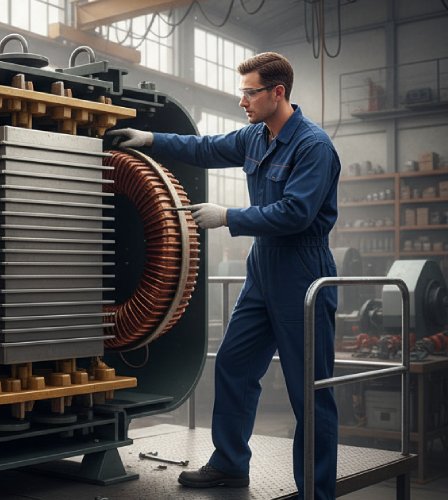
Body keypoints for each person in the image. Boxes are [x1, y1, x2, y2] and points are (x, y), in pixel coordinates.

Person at [108, 52, 340, 500]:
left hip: (302, 271)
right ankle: (230, 463)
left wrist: (228, 216)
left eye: (250, 92)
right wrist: (151, 138)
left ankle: (316, 490)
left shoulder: (313, 146)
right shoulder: (256, 136)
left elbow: (297, 213)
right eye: (242, 91)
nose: (243, 101)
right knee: (234, 364)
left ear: (278, 93)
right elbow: (206, 147)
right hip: (263, 270)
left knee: (308, 390)